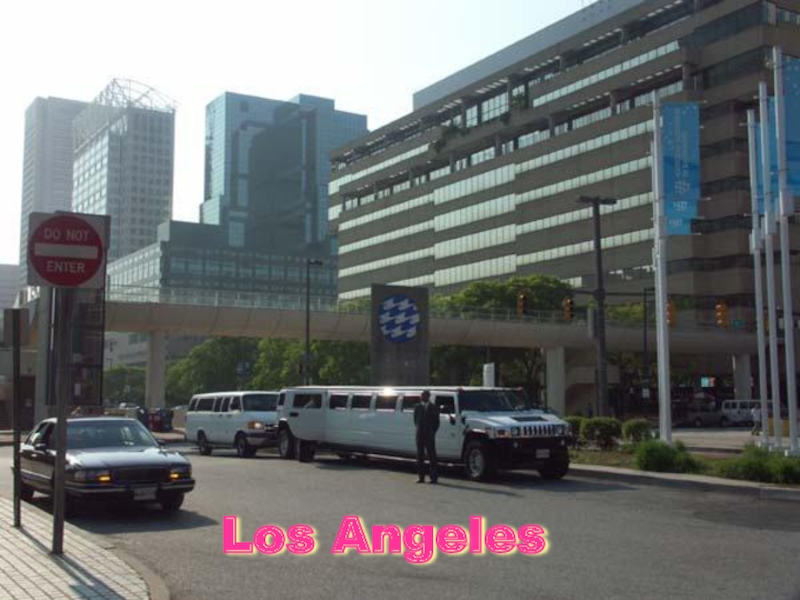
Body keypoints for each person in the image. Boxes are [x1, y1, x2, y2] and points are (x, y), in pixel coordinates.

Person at [413, 390, 440, 484]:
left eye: (423, 395)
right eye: (421, 395)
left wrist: (432, 432)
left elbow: (436, 422)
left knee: (432, 456)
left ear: (428, 397)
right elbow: (415, 420)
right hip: (419, 434)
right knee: (420, 456)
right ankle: (421, 477)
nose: (421, 397)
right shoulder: (417, 407)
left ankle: (433, 477)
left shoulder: (433, 407)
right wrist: (419, 429)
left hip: (429, 435)